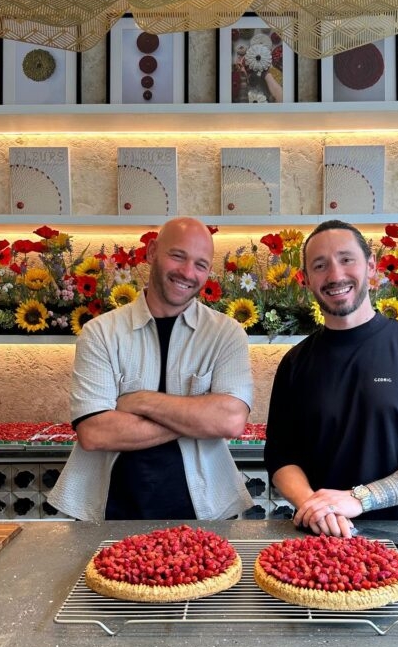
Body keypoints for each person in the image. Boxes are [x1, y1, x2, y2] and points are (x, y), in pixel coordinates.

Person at [264, 219, 398, 538]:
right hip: (319, 542)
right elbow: (281, 457)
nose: (335, 275)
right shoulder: (295, 363)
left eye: (347, 260)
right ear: (305, 280)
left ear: (371, 267)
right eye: (320, 266)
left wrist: (359, 498)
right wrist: (315, 506)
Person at [49, 217, 254, 522]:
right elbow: (94, 432)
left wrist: (141, 401)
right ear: (152, 252)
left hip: (207, 514)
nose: (187, 272)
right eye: (178, 256)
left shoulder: (226, 334)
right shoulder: (100, 333)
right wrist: (199, 418)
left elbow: (231, 420)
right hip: (108, 513)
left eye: (200, 264)